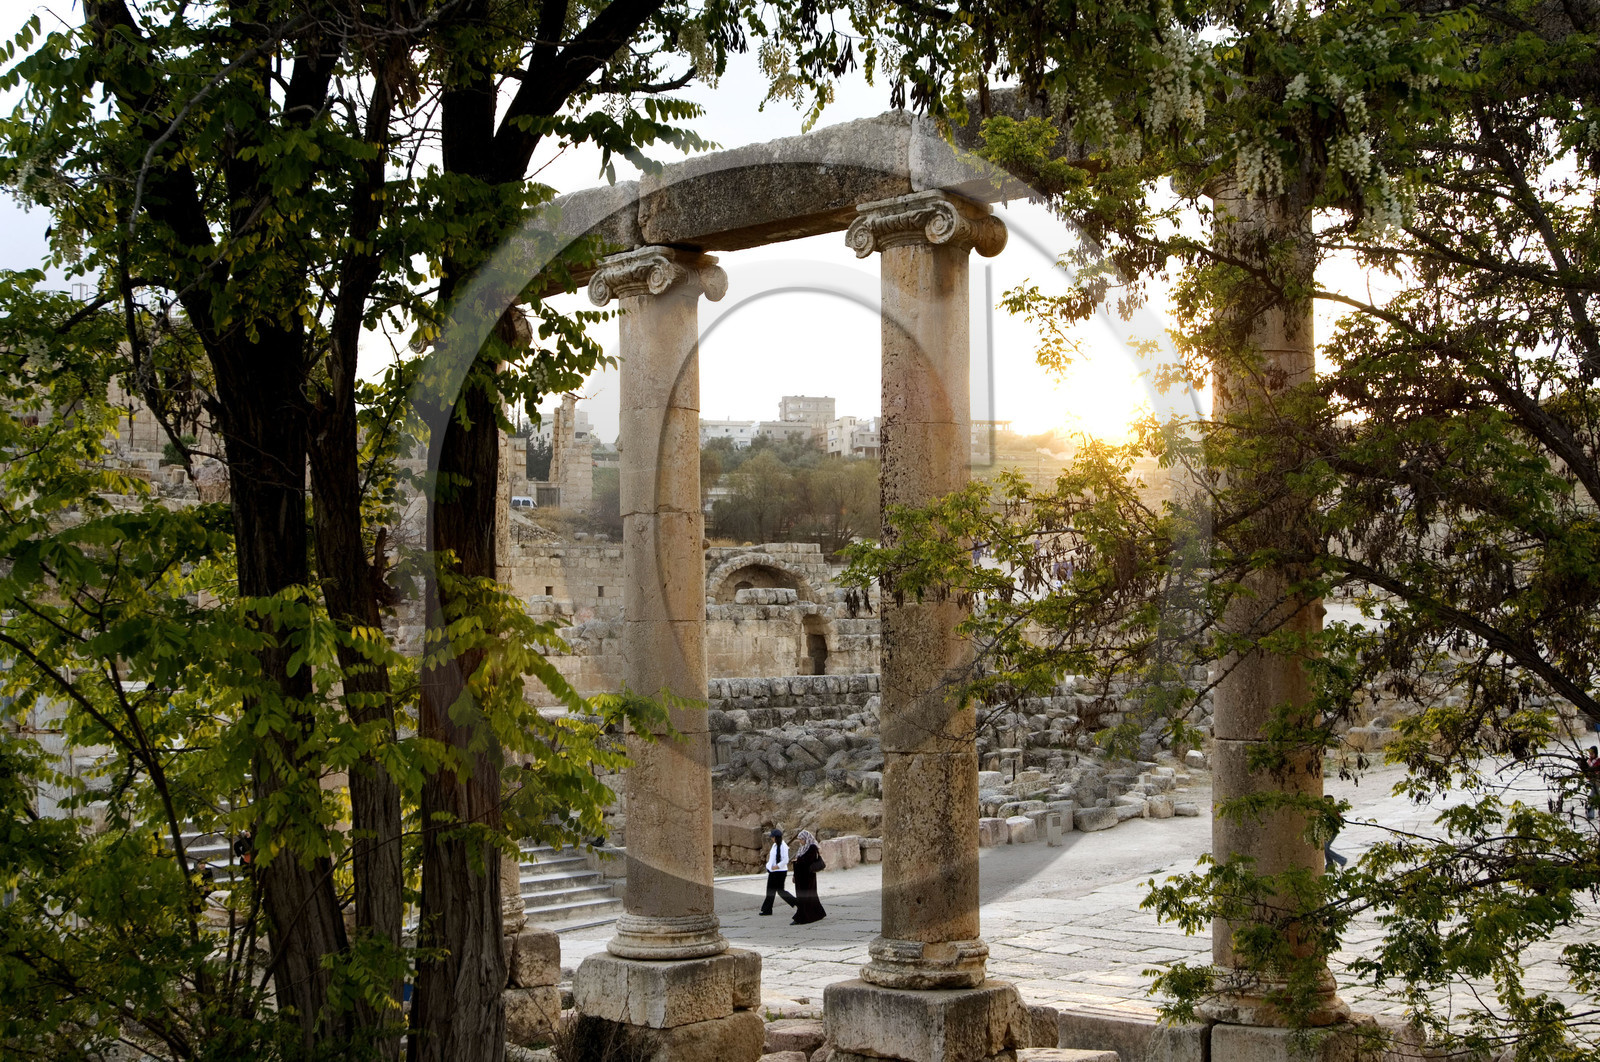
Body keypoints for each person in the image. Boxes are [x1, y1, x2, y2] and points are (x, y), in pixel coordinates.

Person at [789, 829, 827, 925]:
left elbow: (809, 859)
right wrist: (794, 875)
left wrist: (798, 860)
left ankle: (802, 917)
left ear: (806, 839)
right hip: (800, 877)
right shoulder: (803, 848)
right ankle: (817, 913)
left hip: (807, 877)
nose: (800, 841)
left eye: (801, 839)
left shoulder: (812, 847)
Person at [759, 828, 796, 916]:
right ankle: (767, 910)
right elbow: (772, 858)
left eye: (772, 837)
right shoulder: (775, 846)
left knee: (780, 891)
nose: (771, 839)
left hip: (780, 871)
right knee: (770, 891)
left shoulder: (783, 846)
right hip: (773, 871)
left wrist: (777, 866)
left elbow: (785, 860)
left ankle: (796, 902)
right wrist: (769, 866)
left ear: (776, 837)